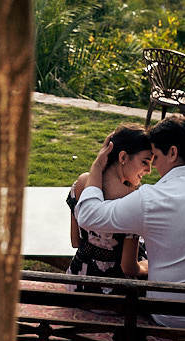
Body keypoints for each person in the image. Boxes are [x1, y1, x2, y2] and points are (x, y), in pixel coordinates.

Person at [74, 116, 185, 329]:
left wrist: (97, 166)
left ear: (173, 153)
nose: (154, 169)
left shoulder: (151, 199)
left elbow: (88, 215)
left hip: (170, 315)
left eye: (156, 158)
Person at [66, 124, 153, 293]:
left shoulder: (81, 184)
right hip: (117, 293)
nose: (149, 170)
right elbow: (129, 268)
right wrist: (149, 266)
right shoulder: (133, 200)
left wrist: (97, 166)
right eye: (145, 162)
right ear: (123, 157)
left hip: (78, 283)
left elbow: (75, 241)